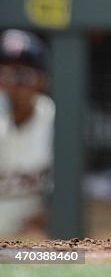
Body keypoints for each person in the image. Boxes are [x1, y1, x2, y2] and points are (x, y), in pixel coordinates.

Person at [0, 29, 54, 236]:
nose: (12, 83)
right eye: (4, 73)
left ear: (41, 79)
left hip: (35, 241)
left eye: (21, 74)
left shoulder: (57, 120)